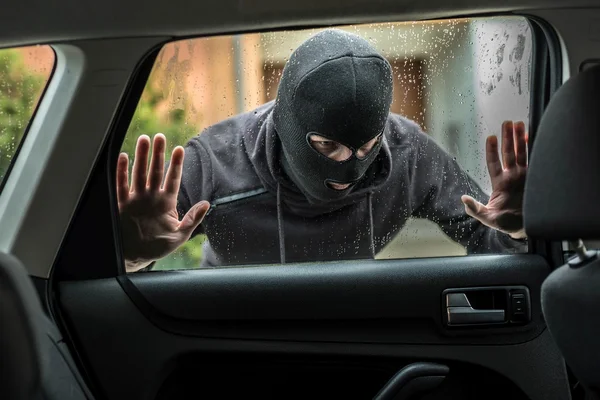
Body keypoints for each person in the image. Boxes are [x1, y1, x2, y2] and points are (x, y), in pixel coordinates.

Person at [117, 29, 528, 272]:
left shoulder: (407, 152)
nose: (349, 168)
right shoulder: (215, 160)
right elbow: (126, 264)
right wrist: (133, 256)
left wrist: (520, 230)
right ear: (288, 125)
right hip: (234, 328)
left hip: (348, 325)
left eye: (365, 146)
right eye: (327, 146)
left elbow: (488, 238)